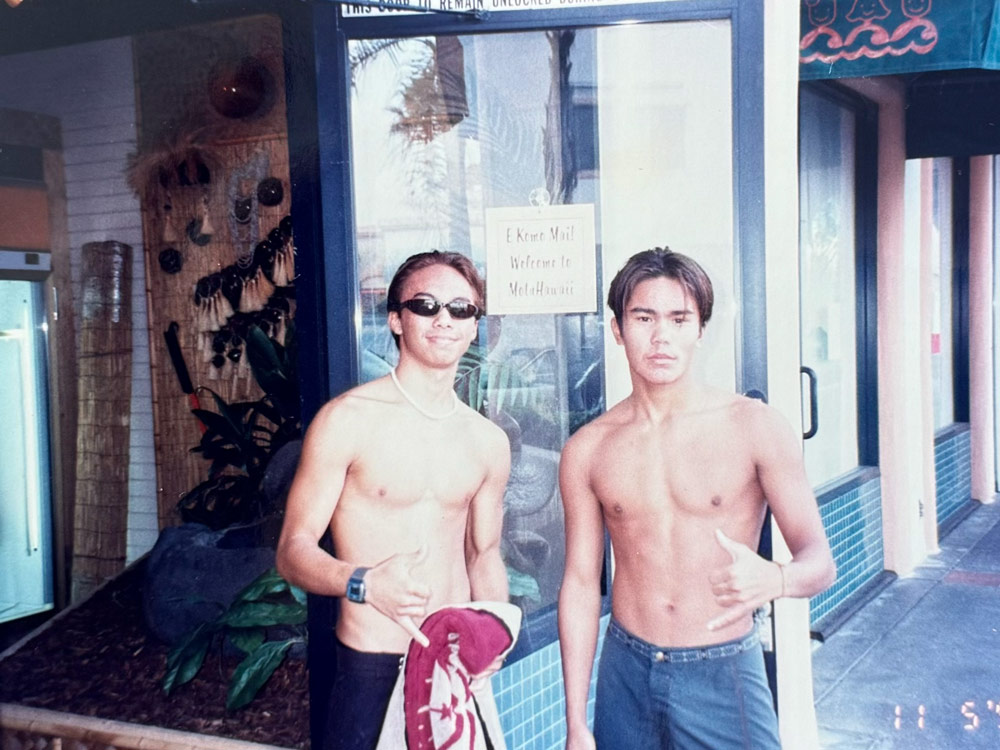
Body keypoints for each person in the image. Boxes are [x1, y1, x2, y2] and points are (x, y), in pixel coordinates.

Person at [557, 247, 836, 750]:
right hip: (625, 670)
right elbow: (579, 583)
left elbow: (820, 562)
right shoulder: (587, 449)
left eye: (679, 318)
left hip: (722, 669)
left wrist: (776, 578)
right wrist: (576, 719)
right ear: (618, 329)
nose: (662, 336)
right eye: (644, 317)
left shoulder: (754, 426)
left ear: (700, 330)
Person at [276, 250, 511, 750]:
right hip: (373, 666)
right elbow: (292, 550)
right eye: (425, 305)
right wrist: (362, 582)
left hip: (453, 664)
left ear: (474, 327)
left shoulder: (488, 441)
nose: (444, 318)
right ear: (396, 320)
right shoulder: (347, 420)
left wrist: (494, 627)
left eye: (461, 309)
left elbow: (483, 552)